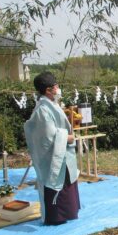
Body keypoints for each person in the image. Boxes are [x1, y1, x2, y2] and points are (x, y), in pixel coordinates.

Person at [24, 72, 80, 225]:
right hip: (52, 155)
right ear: (48, 90)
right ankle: (56, 217)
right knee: (56, 183)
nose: (58, 88)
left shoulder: (52, 104)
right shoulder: (43, 109)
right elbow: (49, 136)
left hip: (63, 153)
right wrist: (67, 137)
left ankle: (67, 213)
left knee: (67, 182)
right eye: (56, 86)